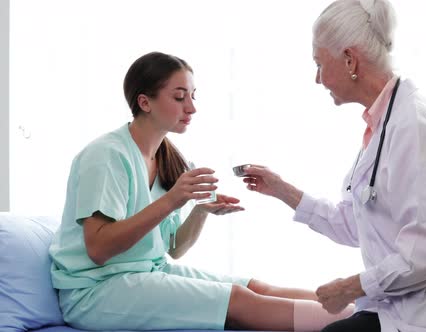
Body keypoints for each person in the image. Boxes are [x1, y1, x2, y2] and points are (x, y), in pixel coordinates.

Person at [239, 0, 426, 331]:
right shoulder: (383, 124)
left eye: (319, 64)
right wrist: (281, 190)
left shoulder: (414, 127)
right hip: (412, 300)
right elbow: (357, 225)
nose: (317, 78)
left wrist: (351, 287)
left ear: (349, 60)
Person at [48, 51, 353, 331]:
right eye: (179, 97)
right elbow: (98, 250)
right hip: (96, 291)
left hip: (148, 273)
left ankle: (363, 311)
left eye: (192, 96)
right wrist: (172, 200)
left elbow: (173, 249)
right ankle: (364, 326)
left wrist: (200, 211)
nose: (191, 107)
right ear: (144, 102)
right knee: (237, 299)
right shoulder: (106, 156)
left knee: (255, 287)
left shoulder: (169, 158)